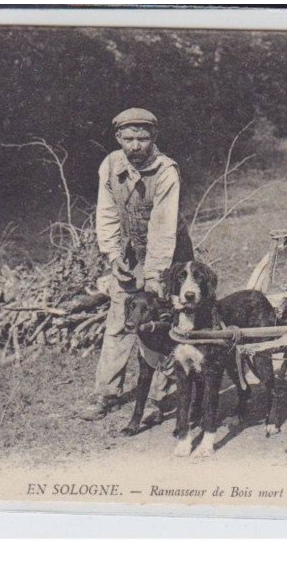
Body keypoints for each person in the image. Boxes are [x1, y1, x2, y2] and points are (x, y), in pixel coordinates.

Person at [80, 108, 193, 421]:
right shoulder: (110, 165)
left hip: (170, 254)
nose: (135, 145)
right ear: (118, 138)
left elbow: (162, 227)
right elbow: (107, 213)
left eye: (142, 138)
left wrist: (157, 276)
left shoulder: (167, 171)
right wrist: (114, 256)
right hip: (131, 253)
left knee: (164, 324)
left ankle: (160, 399)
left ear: (153, 138)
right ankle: (104, 395)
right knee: (119, 319)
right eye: (128, 138)